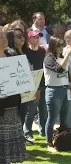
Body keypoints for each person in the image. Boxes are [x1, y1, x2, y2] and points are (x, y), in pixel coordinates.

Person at [0, 29, 28, 164]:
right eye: (1, 37)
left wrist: (27, 89)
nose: (4, 39)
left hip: (12, 107)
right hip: (1, 108)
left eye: (4, 36)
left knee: (8, 153)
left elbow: (20, 76)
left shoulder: (11, 54)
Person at [43, 36, 71, 152]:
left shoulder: (62, 58)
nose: (61, 48)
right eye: (58, 45)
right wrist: (67, 56)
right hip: (53, 90)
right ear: (53, 46)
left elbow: (66, 74)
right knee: (51, 118)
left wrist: (70, 87)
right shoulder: (48, 58)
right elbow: (60, 70)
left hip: (64, 89)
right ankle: (49, 143)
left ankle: (63, 141)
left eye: (62, 45)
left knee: (64, 118)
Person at [24, 30, 47, 141]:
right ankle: (27, 132)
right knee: (31, 110)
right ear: (29, 39)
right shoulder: (26, 51)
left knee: (44, 109)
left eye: (39, 37)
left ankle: (43, 131)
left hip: (44, 83)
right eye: (35, 37)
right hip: (32, 84)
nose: (37, 39)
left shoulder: (43, 51)